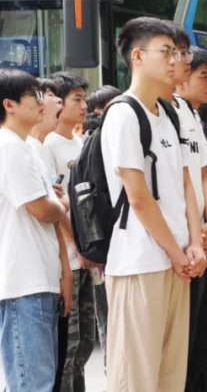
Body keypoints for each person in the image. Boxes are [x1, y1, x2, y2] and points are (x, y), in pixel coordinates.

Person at [101, 17, 207, 391]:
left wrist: (193, 243)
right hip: (139, 261)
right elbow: (138, 196)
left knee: (169, 374)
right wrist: (178, 253)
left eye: (179, 53)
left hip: (176, 258)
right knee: (136, 376)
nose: (176, 60)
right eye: (166, 52)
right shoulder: (123, 113)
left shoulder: (171, 114)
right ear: (137, 56)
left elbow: (186, 186)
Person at [0, 70, 72, 392]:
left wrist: (63, 272)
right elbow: (44, 209)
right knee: (33, 383)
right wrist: (63, 205)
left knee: (40, 379)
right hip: (22, 282)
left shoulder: (27, 147)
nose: (42, 101)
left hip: (38, 277)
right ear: (9, 105)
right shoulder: (9, 147)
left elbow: (49, 210)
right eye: (33, 95)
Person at [168, 36, 207, 392]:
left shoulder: (195, 117)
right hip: (184, 239)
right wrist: (198, 230)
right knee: (188, 339)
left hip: (205, 234)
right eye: (204, 76)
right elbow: (179, 180)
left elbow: (203, 173)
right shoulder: (169, 112)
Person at [44, 71, 96, 392]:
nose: (84, 105)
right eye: (77, 99)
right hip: (70, 259)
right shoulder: (48, 144)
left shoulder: (79, 142)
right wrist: (78, 243)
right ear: (58, 103)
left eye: (83, 98)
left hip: (87, 256)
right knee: (70, 342)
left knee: (86, 342)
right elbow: (56, 205)